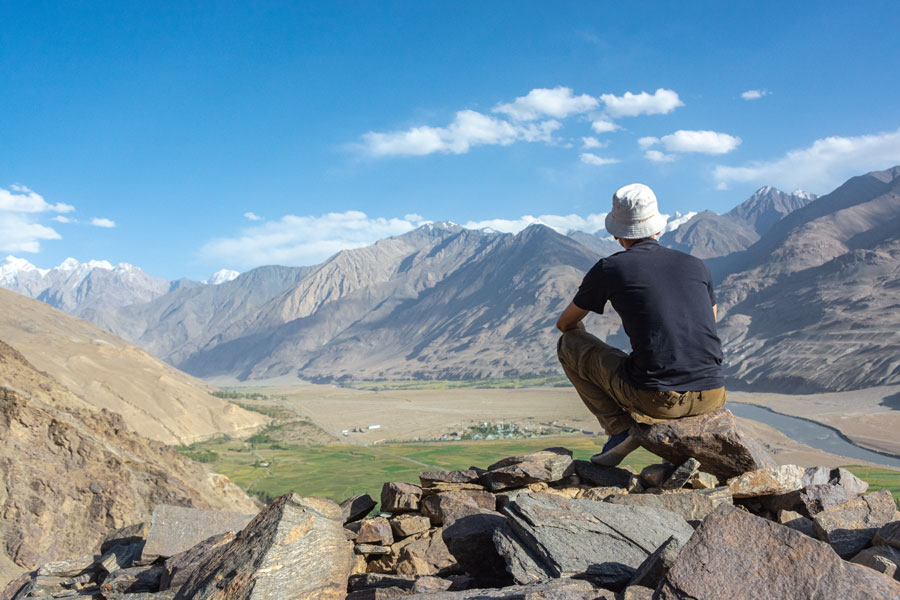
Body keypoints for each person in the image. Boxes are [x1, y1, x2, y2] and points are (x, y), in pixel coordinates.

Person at [556, 183, 726, 466]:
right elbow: (709, 323)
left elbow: (566, 324)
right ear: (656, 227)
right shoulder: (697, 265)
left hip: (657, 399)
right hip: (713, 393)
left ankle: (619, 429)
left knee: (569, 345)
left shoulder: (610, 268)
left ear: (616, 233)